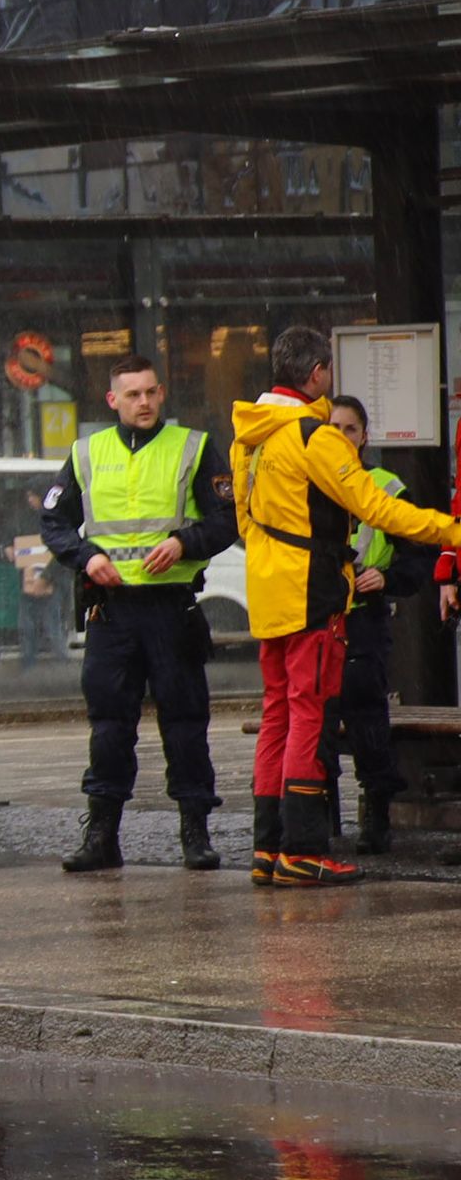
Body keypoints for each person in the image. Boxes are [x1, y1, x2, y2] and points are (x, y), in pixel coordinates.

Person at [231, 326, 461, 887]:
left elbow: (243, 518)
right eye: (328, 372)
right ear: (315, 375)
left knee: (278, 717)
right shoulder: (313, 435)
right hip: (312, 591)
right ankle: (305, 848)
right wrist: (449, 528)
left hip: (267, 590)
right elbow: (375, 506)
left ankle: (269, 848)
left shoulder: (250, 438)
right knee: (311, 713)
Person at [40, 356, 235, 873]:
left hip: (171, 608)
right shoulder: (86, 453)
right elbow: (54, 521)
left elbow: (227, 519)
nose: (144, 402)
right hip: (114, 611)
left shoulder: (192, 447)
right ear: (113, 401)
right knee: (108, 726)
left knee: (186, 723)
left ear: (162, 393)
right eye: (132, 395)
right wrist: (87, 557)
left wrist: (183, 542)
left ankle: (196, 832)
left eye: (151, 392)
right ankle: (102, 835)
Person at [317, 398, 409, 856]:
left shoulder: (386, 487)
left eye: (349, 429)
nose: (341, 436)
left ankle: (376, 813)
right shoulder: (307, 484)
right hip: (318, 616)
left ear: (364, 436)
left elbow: (419, 556)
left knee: (367, 717)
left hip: (365, 618)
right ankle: (318, 813)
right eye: (332, 428)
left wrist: (389, 577)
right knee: (316, 718)